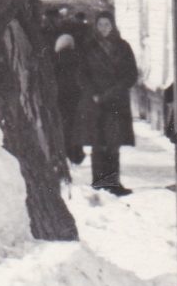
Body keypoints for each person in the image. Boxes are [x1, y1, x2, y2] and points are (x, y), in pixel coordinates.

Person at [74, 11, 138, 196]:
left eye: (107, 25)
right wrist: (93, 93)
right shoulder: (88, 47)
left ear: (113, 26)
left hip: (117, 102)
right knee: (97, 143)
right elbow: (81, 74)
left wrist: (114, 91)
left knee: (113, 143)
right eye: (100, 25)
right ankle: (99, 182)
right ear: (96, 26)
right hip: (95, 102)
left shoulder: (124, 47)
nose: (103, 28)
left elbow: (131, 74)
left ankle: (113, 183)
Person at [52, 33, 84, 164]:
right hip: (76, 95)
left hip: (61, 95)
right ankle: (77, 154)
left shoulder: (55, 58)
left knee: (64, 124)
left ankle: (65, 152)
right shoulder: (78, 57)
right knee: (75, 124)